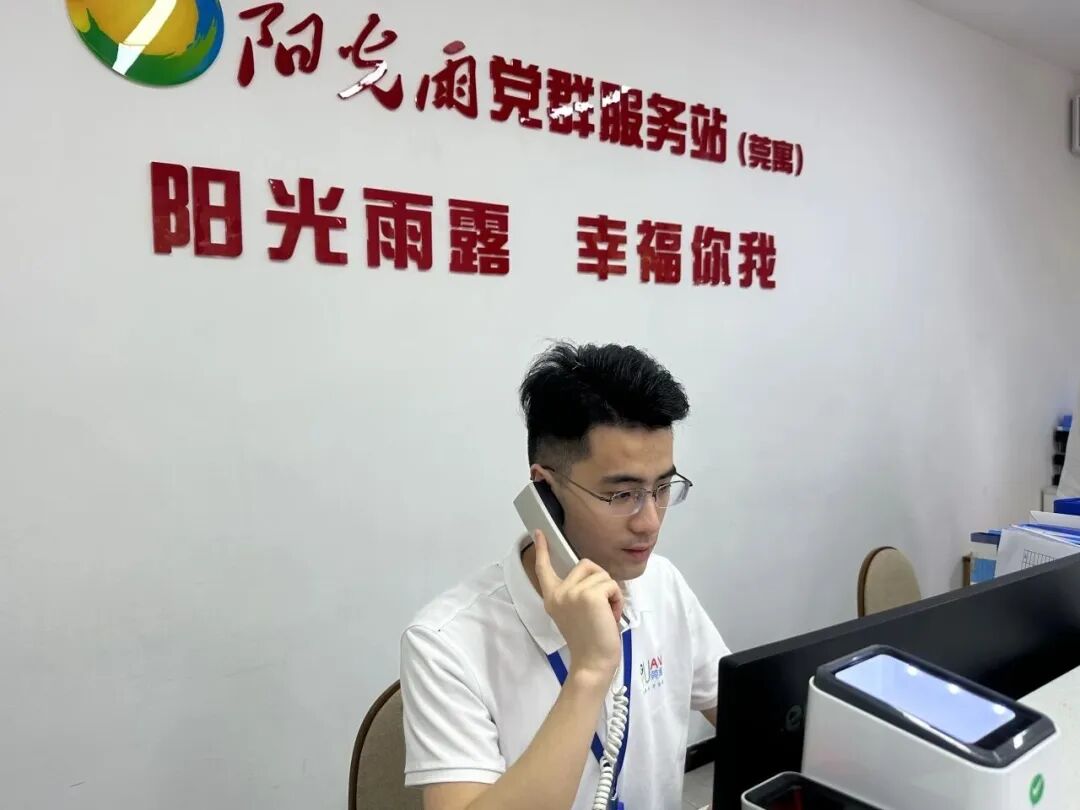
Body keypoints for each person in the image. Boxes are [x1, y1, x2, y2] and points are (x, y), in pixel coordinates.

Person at [399, 342, 729, 810]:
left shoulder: (661, 584)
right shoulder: (445, 643)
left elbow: (749, 716)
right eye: (623, 495)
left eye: (662, 488)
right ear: (545, 492)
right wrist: (589, 670)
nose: (650, 521)